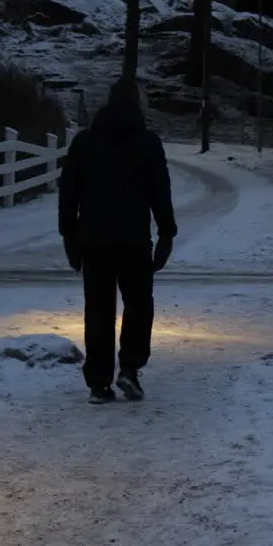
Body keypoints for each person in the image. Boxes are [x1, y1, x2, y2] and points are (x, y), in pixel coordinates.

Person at [58, 81, 177, 404]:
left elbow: (69, 193)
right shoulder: (148, 143)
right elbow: (160, 193)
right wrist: (167, 233)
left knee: (98, 308)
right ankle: (130, 369)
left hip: (93, 239)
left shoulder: (85, 142)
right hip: (134, 239)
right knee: (139, 305)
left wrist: (69, 236)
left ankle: (99, 382)